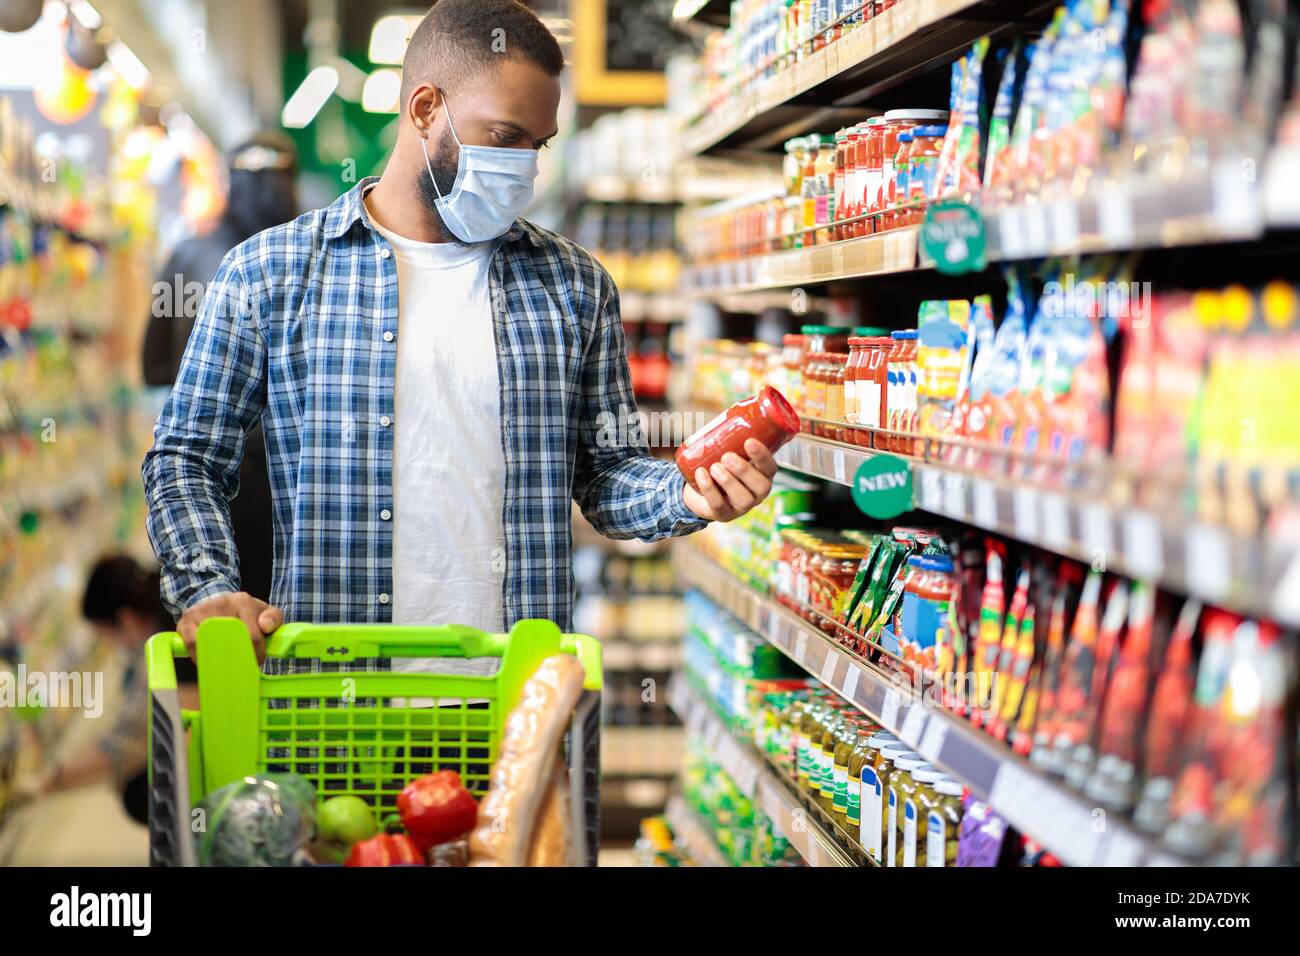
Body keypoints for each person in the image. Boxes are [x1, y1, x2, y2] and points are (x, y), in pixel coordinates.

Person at [143, 0, 777, 661]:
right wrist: (206, 586)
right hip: (336, 709)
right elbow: (186, 458)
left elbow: (606, 478)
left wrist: (686, 491)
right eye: (504, 136)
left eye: (538, 145)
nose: (524, 168)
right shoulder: (268, 273)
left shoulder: (574, 287)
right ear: (424, 109)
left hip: (514, 706)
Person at [141, 133, 299, 603]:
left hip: (220, 468)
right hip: (262, 472)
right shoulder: (318, 256)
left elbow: (152, 364)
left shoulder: (190, 254)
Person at [24, 556, 197, 825]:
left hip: (213, 761)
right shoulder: (171, 611)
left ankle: (194, 831)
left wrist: (51, 781)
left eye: (106, 634)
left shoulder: (163, 647)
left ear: (125, 620)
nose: (110, 644)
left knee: (139, 792)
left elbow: (126, 742)